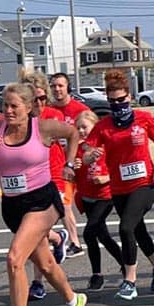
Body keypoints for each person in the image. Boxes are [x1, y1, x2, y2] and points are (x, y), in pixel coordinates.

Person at [0, 83, 86, 306]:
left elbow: (71, 133)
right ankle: (73, 300)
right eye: (4, 106)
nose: (8, 111)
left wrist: (69, 164)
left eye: (14, 106)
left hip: (42, 201)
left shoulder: (42, 128)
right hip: (12, 207)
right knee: (45, 264)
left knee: (14, 258)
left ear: (28, 107)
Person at [83, 70, 154, 300]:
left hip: (146, 183)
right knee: (138, 230)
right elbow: (87, 150)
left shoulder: (143, 118)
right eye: (112, 102)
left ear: (129, 97)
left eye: (121, 100)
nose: (117, 105)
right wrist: (90, 155)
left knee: (125, 228)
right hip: (120, 188)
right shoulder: (103, 126)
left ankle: (130, 280)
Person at [19, 71, 71, 301]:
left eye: (43, 98)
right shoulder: (19, 122)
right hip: (27, 185)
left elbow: (73, 137)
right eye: (35, 99)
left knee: (35, 234)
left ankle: (37, 283)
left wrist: (70, 163)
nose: (40, 104)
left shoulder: (53, 117)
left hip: (54, 180)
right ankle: (58, 237)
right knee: (34, 235)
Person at [74, 111, 124, 290]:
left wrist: (106, 178)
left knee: (89, 232)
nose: (81, 131)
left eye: (85, 127)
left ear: (95, 127)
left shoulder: (105, 145)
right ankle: (124, 263)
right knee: (102, 235)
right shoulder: (76, 149)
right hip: (87, 197)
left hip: (105, 196)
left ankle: (97, 274)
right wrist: (72, 168)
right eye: (78, 127)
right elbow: (71, 175)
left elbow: (119, 167)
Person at [50, 72, 89, 257]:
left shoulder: (79, 109)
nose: (57, 89)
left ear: (68, 88)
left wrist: (84, 153)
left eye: (60, 85)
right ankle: (74, 243)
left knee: (89, 204)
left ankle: (94, 233)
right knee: (64, 204)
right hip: (62, 166)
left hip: (82, 163)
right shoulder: (49, 111)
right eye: (54, 86)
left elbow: (93, 134)